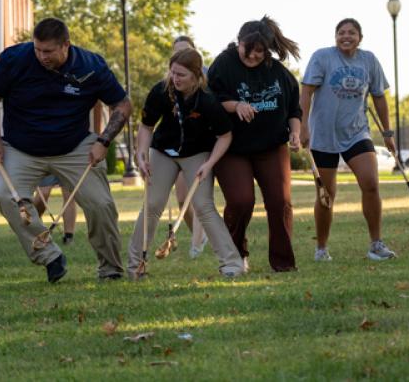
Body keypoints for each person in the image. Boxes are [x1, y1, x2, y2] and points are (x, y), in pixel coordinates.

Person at [0, 17, 131, 283]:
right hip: (21, 147)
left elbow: (122, 105)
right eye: (37, 49)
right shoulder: (14, 59)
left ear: (66, 46)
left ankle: (111, 270)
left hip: (74, 146)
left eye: (48, 51)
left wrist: (103, 141)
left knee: (101, 204)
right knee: (5, 196)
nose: (41, 56)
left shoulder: (90, 66)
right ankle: (49, 255)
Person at [127, 48, 244, 279]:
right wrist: (141, 154)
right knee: (153, 204)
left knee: (203, 205)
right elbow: (147, 126)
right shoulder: (160, 92)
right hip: (163, 151)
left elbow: (225, 136)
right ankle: (135, 267)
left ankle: (232, 265)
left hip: (197, 153)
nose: (175, 78)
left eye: (181, 74)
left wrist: (209, 164)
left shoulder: (208, 100)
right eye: (172, 73)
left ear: (196, 75)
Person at [207, 16, 302, 273]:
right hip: (233, 147)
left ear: (267, 49)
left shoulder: (278, 72)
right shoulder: (223, 64)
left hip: (271, 146)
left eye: (259, 52)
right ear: (238, 42)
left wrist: (295, 133)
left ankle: (283, 263)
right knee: (241, 201)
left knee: (280, 202)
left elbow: (294, 108)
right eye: (246, 50)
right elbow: (212, 100)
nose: (252, 56)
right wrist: (236, 105)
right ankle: (235, 256)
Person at [300, 18, 397, 262]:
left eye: (351, 32)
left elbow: (380, 97)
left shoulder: (369, 61)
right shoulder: (322, 57)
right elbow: (306, 92)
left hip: (357, 132)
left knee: (371, 183)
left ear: (360, 38)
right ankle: (321, 249)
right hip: (323, 134)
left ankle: (376, 244)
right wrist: (302, 126)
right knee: (326, 194)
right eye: (341, 32)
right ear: (335, 36)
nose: (346, 36)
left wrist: (387, 133)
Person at [171, 36, 208, 258]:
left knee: (198, 196)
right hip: (178, 146)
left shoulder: (207, 76)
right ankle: (200, 233)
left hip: (202, 145)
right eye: (177, 52)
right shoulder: (171, 78)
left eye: (185, 51)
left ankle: (196, 243)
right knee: (182, 199)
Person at [33, 175, 77, 245]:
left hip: (65, 165)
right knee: (43, 193)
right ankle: (34, 227)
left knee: (69, 196)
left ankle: (68, 237)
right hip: (46, 164)